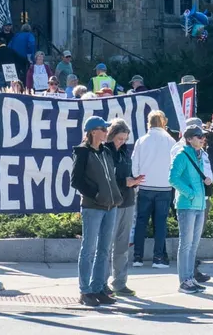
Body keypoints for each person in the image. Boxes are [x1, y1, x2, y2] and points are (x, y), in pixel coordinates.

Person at [71, 116, 121, 306]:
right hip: (93, 207)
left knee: (104, 249)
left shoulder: (106, 151)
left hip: (110, 206)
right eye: (103, 129)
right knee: (89, 249)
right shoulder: (83, 152)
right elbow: (76, 180)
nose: (107, 132)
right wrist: (96, 194)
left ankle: (98, 288)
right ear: (93, 131)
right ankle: (85, 292)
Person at [130, 110, 175, 269]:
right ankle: (158, 258)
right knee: (161, 223)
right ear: (164, 122)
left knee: (141, 221)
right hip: (164, 187)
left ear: (148, 122)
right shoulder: (170, 141)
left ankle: (137, 257)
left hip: (145, 185)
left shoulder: (141, 140)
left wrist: (137, 179)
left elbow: (134, 163)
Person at [104, 118, 143, 296]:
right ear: (111, 135)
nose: (122, 142)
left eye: (125, 139)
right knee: (105, 246)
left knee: (122, 246)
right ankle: (101, 282)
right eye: (119, 138)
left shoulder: (125, 151)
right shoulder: (105, 152)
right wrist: (124, 182)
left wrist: (134, 181)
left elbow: (126, 174)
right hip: (111, 204)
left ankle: (119, 283)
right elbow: (105, 179)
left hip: (127, 201)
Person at [170, 124, 209, 294]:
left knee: (193, 245)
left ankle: (190, 278)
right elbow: (173, 178)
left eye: (203, 136)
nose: (202, 139)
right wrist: (191, 193)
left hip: (199, 204)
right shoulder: (182, 155)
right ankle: (184, 281)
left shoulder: (199, 155)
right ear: (189, 139)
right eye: (199, 136)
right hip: (187, 205)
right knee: (186, 245)